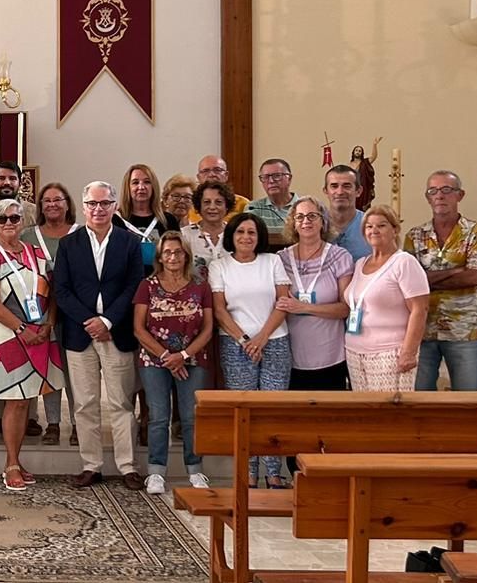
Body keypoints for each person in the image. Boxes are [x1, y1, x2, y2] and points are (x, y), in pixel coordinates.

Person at [51, 182, 144, 490]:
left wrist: (107, 321)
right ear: (84, 206)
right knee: (84, 403)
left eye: (105, 203)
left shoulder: (130, 242)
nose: (99, 209)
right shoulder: (69, 243)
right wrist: (89, 321)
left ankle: (128, 466)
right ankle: (91, 465)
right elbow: (62, 290)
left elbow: (134, 286)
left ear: (115, 206)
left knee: (121, 403)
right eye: (92, 203)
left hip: (117, 333)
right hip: (80, 334)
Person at [0, 197, 66, 490]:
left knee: (26, 399)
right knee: (15, 401)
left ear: (23, 221)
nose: (9, 223)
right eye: (2, 219)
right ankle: (11, 464)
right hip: (4, 337)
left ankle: (17, 460)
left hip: (38, 333)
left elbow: (53, 291)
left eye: (14, 218)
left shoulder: (35, 252)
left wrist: (49, 324)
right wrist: (21, 329)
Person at [208, 213, 291, 488]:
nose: (246, 237)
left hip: (275, 341)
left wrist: (262, 338)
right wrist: (245, 341)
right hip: (235, 345)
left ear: (259, 236)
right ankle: (249, 473)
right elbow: (220, 310)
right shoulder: (220, 266)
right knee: (244, 411)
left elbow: (283, 302)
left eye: (252, 232)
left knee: (272, 410)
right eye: (240, 232)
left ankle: (274, 473)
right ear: (231, 236)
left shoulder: (272, 261)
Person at [133, 231, 214, 495]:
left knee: (191, 416)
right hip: (155, 359)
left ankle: (195, 470)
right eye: (167, 252)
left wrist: (184, 355)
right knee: (158, 416)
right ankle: (156, 472)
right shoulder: (147, 285)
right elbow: (139, 328)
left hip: (193, 358)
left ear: (186, 255)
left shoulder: (200, 285)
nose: (173, 257)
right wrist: (168, 357)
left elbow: (208, 328)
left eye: (178, 252)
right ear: (159, 257)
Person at [403, 171, 477, 391]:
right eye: (433, 191)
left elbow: (474, 276)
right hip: (423, 328)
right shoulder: (415, 235)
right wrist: (456, 271)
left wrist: (426, 280)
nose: (439, 196)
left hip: (463, 329)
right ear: (427, 197)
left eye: (446, 190)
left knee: (471, 396)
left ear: (460, 195)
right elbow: (408, 282)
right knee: (419, 396)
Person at [20, 181, 80, 445]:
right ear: (40, 207)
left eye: (58, 200)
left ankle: (79, 424)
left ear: (68, 204)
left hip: (75, 313)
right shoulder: (28, 236)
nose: (53, 204)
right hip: (41, 313)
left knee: (77, 373)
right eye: (47, 200)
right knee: (50, 369)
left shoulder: (81, 233)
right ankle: (53, 423)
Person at [344, 206, 429, 391]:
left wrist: (409, 352)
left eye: (381, 225)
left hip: (390, 353)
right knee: (365, 407)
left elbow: (419, 309)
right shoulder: (360, 264)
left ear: (395, 230)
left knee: (390, 407)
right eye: (369, 226)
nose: (374, 230)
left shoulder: (404, 262)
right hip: (355, 351)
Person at [275, 197, 352, 391]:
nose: (306, 221)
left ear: (323, 221)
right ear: (293, 223)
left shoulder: (339, 257)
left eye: (312, 216)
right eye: (299, 217)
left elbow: (345, 308)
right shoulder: (280, 260)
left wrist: (304, 307)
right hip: (292, 355)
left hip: (331, 355)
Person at [114, 163, 178, 272]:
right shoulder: (115, 220)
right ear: (127, 187)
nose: (141, 187)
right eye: (135, 182)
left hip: (161, 279)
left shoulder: (168, 220)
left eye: (147, 182)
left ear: (153, 186)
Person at [183, 180, 237, 277]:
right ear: (199, 206)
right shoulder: (185, 235)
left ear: (227, 206)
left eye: (218, 202)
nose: (212, 207)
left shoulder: (236, 234)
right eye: (207, 202)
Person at [323, 165, 372, 260]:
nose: (340, 192)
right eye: (334, 186)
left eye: (347, 186)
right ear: (326, 191)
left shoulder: (371, 225)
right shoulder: (316, 225)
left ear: (358, 191)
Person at [247, 158, 300, 245]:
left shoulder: (303, 207)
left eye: (277, 176)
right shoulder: (254, 207)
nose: (271, 181)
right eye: (265, 177)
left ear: (289, 178)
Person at [187, 154, 250, 223]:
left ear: (226, 175)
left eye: (217, 170)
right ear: (199, 177)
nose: (212, 174)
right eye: (206, 171)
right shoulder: (189, 205)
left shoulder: (243, 204)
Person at [0, 161, 36, 239]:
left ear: (20, 183)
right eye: (1, 178)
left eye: (12, 178)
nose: (7, 182)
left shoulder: (34, 212)